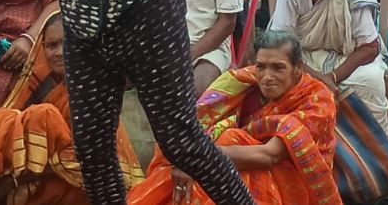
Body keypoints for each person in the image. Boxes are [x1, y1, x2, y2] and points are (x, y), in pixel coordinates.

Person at [0, 12, 144, 204]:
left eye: (65, 43)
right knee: (2, 118)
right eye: (51, 45)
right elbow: (7, 137)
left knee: (42, 116)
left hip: (88, 183)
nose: (58, 52)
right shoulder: (39, 83)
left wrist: (15, 181)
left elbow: (91, 161)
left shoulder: (91, 92)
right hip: (43, 172)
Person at [127, 31, 341, 205]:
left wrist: (198, 159)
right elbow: (198, 122)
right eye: (261, 66)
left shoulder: (317, 100)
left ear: (298, 69)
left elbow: (270, 155)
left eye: (278, 68)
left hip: (286, 177)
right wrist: (188, 159)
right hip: (226, 161)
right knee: (170, 177)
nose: (267, 76)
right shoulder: (241, 82)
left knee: (231, 146)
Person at [269, 0, 388, 130]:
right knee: (277, 73)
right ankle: (293, 143)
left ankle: (372, 156)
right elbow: (282, 44)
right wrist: (317, 78)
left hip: (349, 57)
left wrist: (332, 77)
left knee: (370, 81)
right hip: (301, 56)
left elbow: (370, 47)